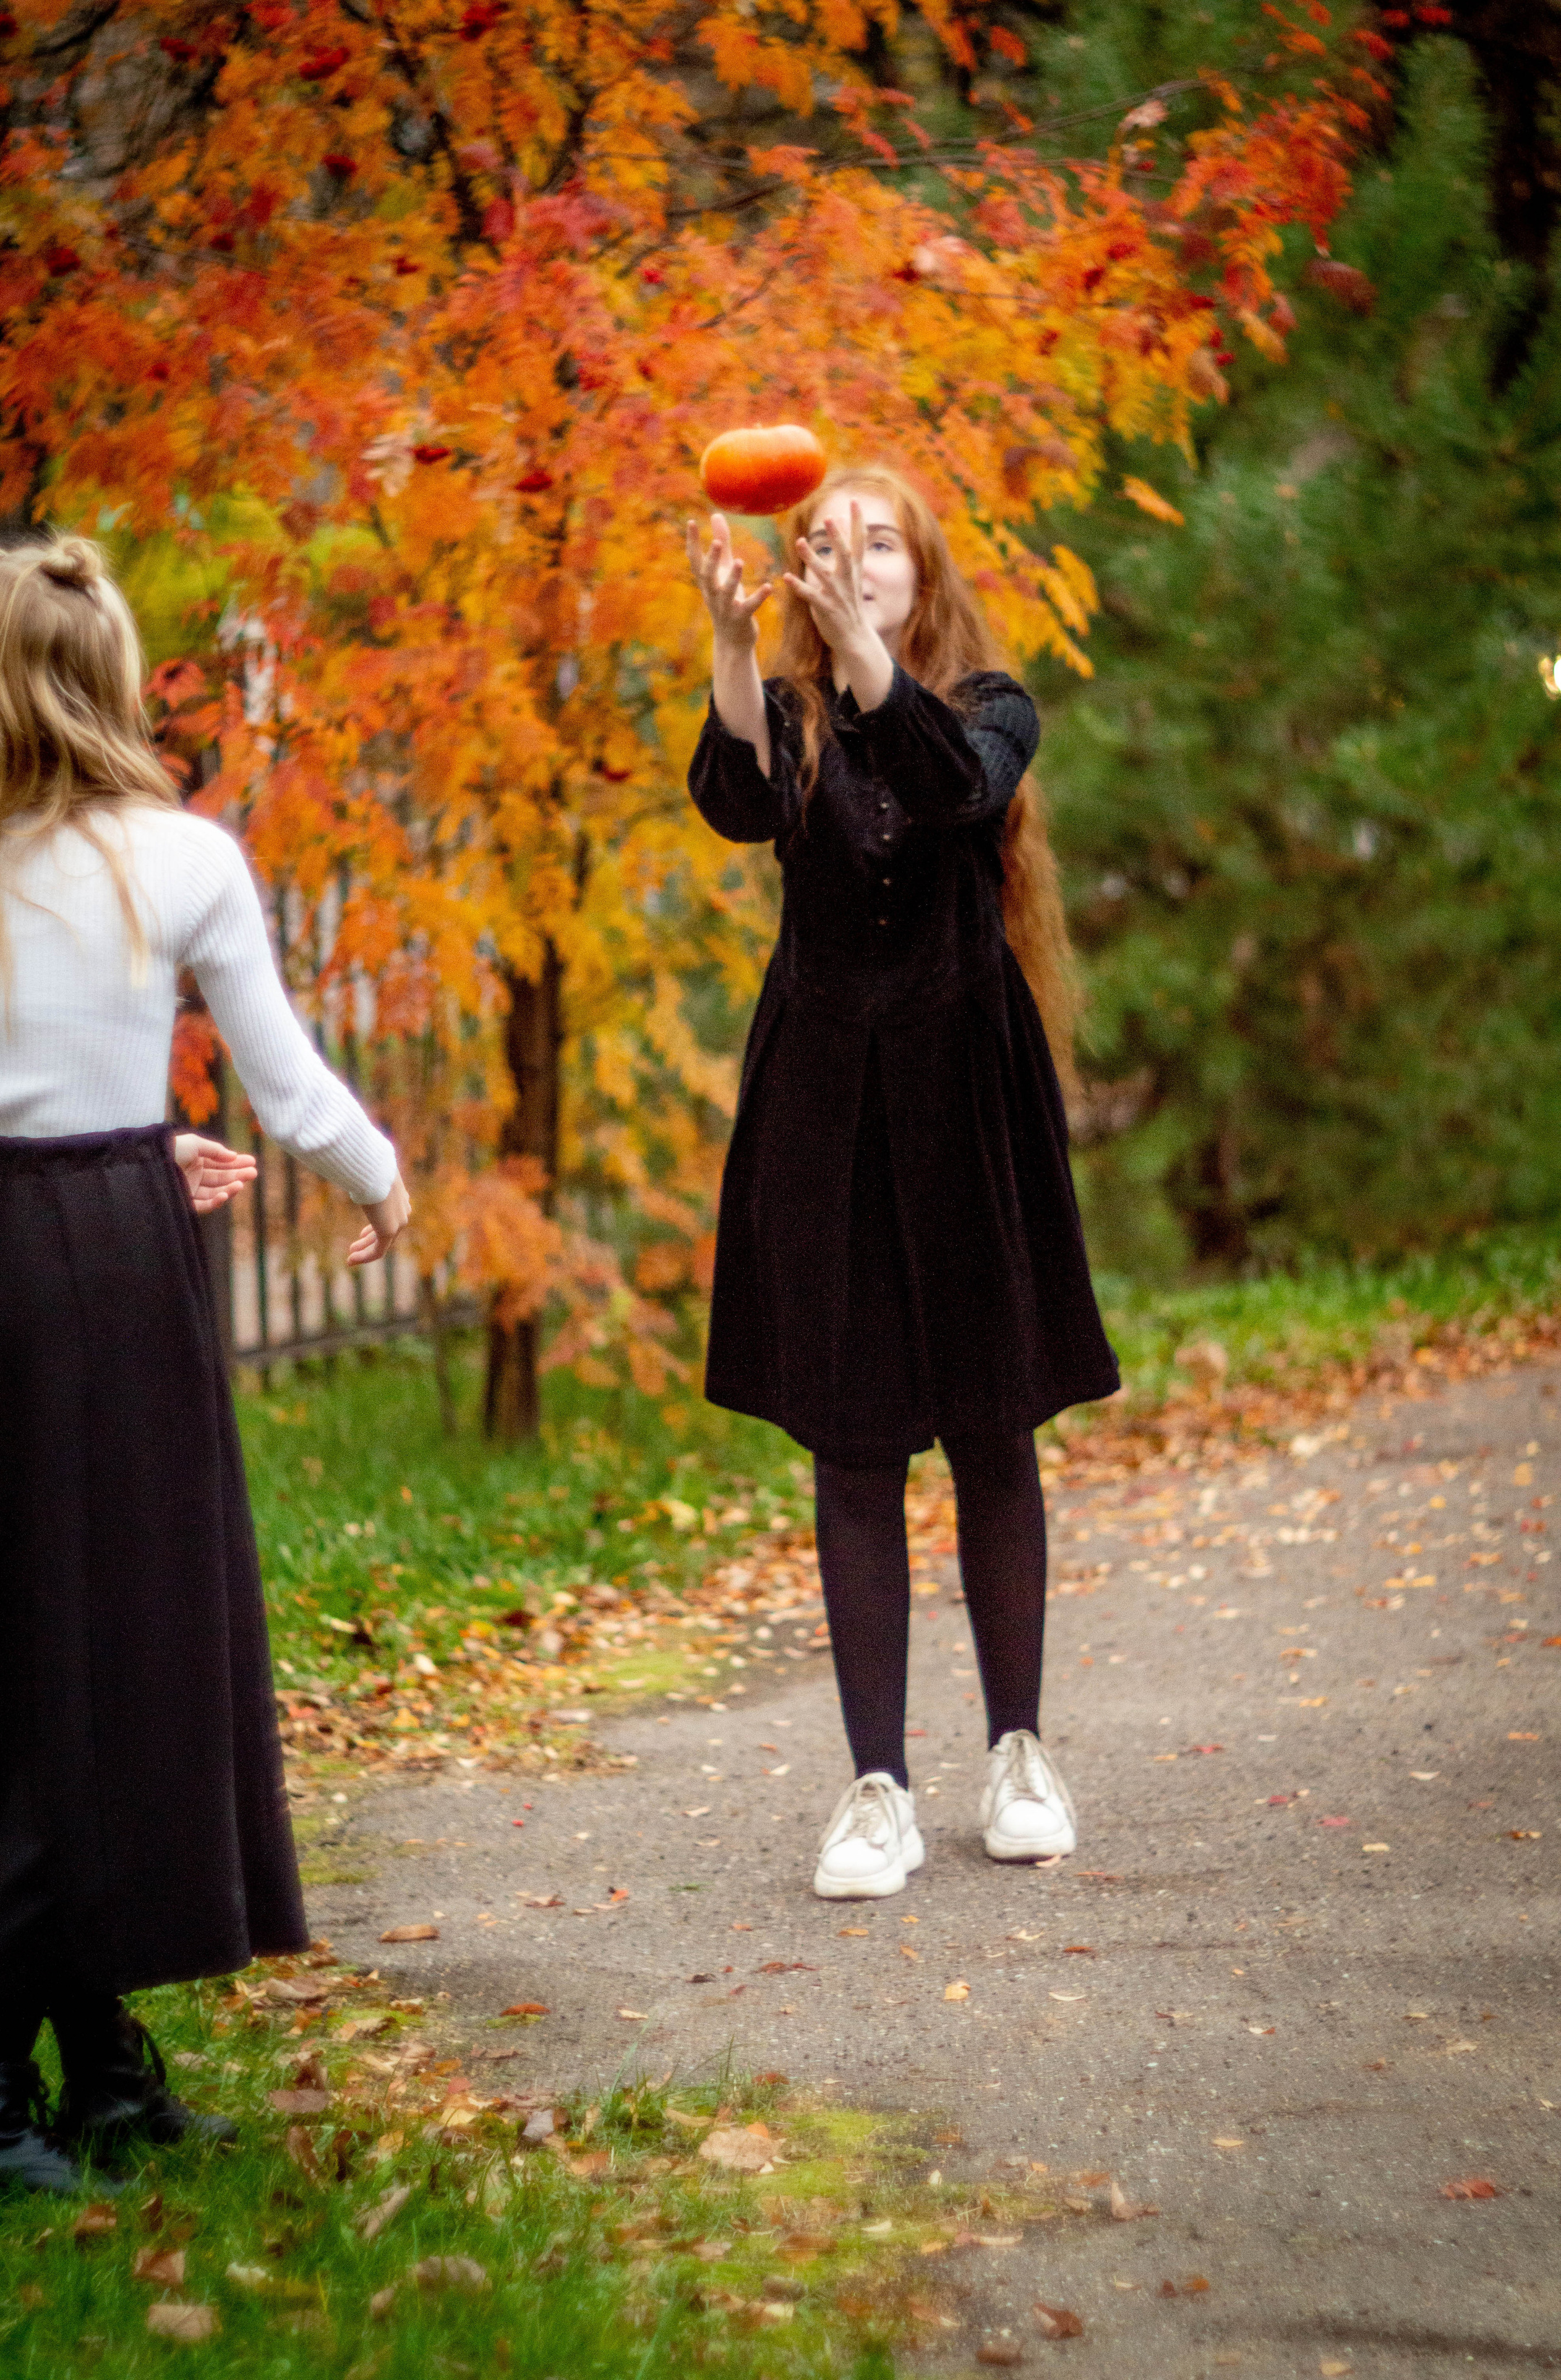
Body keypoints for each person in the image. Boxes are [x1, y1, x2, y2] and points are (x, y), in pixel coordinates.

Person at [0, 535, 410, 2194]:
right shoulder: (181, 857)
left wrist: (114, 1147)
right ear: (112, 676)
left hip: (20, 1233)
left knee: (22, 1644)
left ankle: (94, 2061)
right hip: (110, 1265)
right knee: (114, 1641)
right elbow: (288, 1085)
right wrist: (378, 1179)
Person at [685, 465, 1119, 1900]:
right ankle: (875, 1786)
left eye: (878, 543)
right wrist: (731, 645)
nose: (850, 557)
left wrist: (863, 657)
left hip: (965, 1105)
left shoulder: (991, 707)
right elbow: (737, 798)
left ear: (919, 578)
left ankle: (1018, 1753)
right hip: (828, 1110)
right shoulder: (792, 713)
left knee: (994, 1429)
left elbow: (947, 786)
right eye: (825, 540)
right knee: (854, 1442)